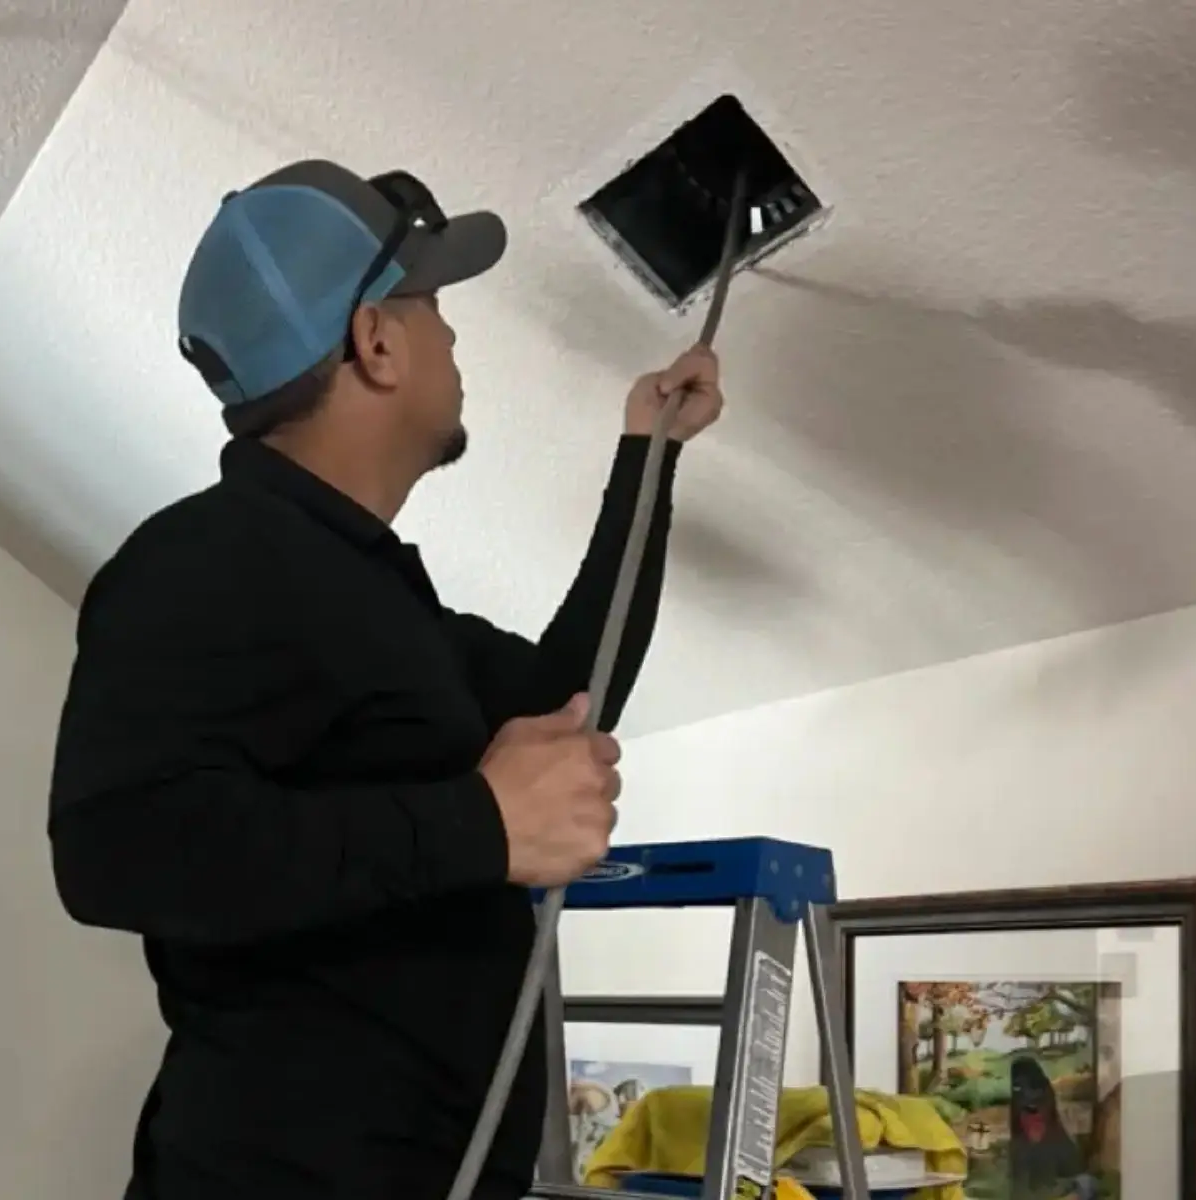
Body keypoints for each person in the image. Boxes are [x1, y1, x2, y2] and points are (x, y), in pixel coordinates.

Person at [48, 160, 725, 1200]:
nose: (451, 338)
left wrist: (649, 454)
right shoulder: (201, 559)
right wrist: (477, 826)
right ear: (374, 342)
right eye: (434, 306)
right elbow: (116, 850)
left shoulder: (372, 593)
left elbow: (564, 705)